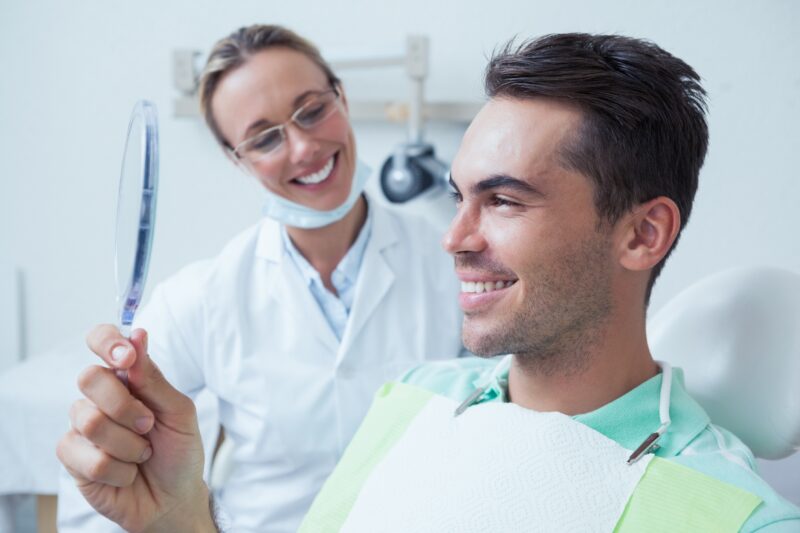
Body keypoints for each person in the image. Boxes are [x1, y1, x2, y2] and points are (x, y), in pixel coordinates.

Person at [58, 32, 800, 532]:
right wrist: (182, 519)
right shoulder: (416, 395)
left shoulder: (737, 514)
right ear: (238, 158)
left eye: (503, 200)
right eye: (459, 196)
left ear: (642, 234)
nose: (454, 238)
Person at [56, 24, 462, 532]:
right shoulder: (201, 298)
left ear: (342, 98)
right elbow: (93, 504)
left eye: (312, 110)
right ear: (237, 159)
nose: (303, 147)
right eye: (265, 137)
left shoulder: (451, 264)